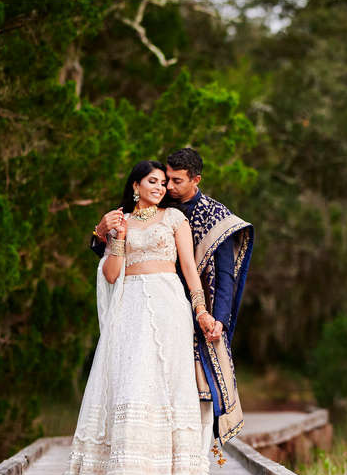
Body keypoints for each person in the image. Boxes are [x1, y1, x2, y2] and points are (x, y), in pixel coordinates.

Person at [61, 160, 218, 475]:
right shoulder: (122, 221)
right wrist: (114, 235)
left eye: (163, 183)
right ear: (135, 186)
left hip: (167, 302)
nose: (160, 188)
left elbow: (189, 268)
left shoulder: (175, 219)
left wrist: (201, 310)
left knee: (163, 377)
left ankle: (170, 472)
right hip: (129, 304)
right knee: (131, 375)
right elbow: (111, 274)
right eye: (153, 181)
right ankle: (126, 472)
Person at [90, 148, 253, 449]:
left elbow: (223, 275)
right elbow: (112, 254)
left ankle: (187, 452)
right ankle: (135, 449)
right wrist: (100, 234)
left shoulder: (214, 216)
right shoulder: (150, 202)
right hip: (135, 304)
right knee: (137, 377)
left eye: (175, 182)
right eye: (163, 180)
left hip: (185, 305)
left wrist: (215, 318)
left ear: (196, 180)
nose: (167, 187)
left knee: (194, 385)